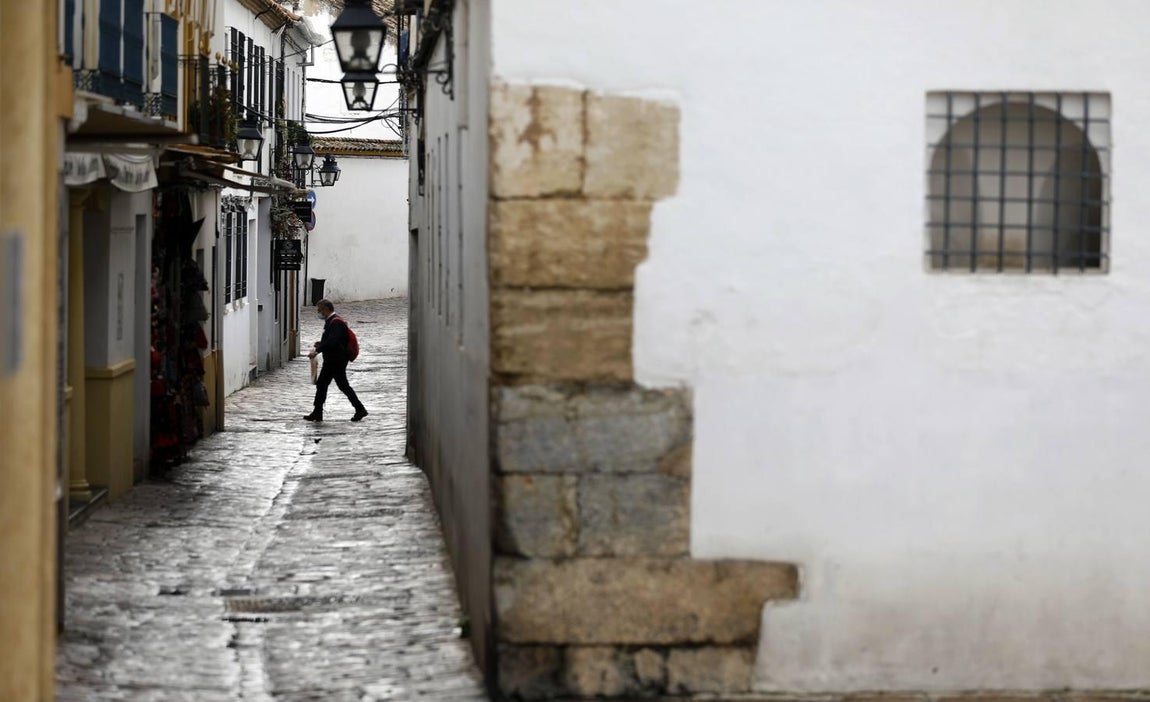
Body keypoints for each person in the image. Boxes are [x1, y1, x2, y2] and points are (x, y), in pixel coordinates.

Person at [305, 299, 367, 422]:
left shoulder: (336, 323)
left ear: (326, 309)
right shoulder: (332, 322)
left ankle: (359, 409)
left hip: (336, 360)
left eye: (320, 310)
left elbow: (333, 342)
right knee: (333, 385)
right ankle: (318, 412)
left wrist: (317, 351)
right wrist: (321, 344)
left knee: (330, 385)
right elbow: (331, 340)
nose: (319, 313)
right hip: (334, 359)